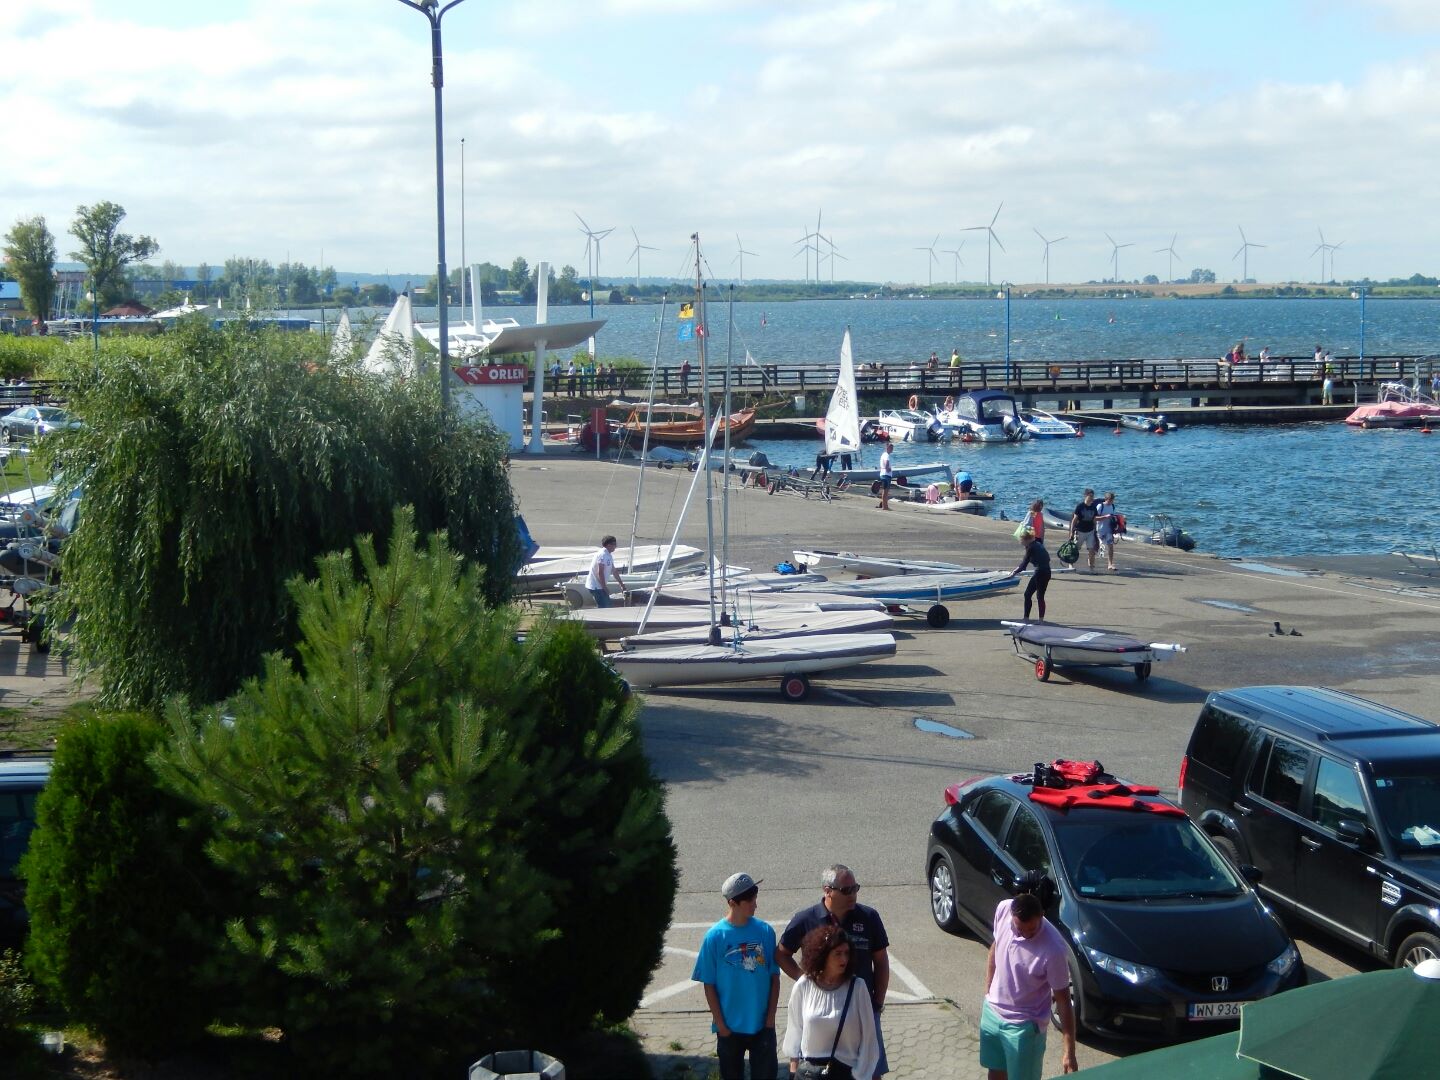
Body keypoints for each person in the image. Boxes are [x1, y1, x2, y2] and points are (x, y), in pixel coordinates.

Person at [778, 865, 891, 1077]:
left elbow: (882, 962)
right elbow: (781, 954)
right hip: (821, 1012)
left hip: (860, 1007)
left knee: (871, 1068)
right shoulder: (806, 919)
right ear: (828, 890)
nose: (853, 894)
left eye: (855, 888)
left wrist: (877, 1004)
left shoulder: (869, 917)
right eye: (847, 890)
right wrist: (807, 981)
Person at [693, 873, 780, 1080]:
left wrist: (770, 1020)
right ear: (732, 902)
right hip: (729, 1029)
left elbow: (774, 978)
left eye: (755, 898)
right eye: (749, 900)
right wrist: (721, 1026)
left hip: (762, 1026)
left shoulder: (765, 931)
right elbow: (709, 984)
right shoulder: (715, 937)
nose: (755, 905)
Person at [980, 892, 1077, 1079]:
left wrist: (1069, 1052)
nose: (1025, 935)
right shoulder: (1003, 909)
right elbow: (995, 947)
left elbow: (1064, 1002)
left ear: (1041, 915)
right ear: (1012, 916)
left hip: (1024, 1027)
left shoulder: (1054, 949)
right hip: (992, 1014)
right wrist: (989, 994)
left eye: (1031, 931)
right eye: (1019, 929)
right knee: (995, 1072)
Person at [783, 925, 880, 1080]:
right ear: (823, 956)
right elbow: (794, 1031)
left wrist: (859, 1075)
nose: (844, 959)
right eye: (838, 954)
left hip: (846, 1072)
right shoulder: (804, 985)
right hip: (810, 1073)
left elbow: (869, 1039)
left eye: (847, 953)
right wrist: (794, 1071)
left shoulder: (858, 987)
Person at [1013, 528, 1051, 622]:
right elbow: (1047, 558)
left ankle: (1035, 620)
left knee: (1035, 595)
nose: (1020, 542)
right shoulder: (1038, 544)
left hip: (1040, 572)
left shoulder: (1031, 547)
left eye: (1021, 540)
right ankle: (1031, 619)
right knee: (1032, 595)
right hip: (1046, 571)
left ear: (1026, 539)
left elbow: (1024, 564)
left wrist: (1013, 573)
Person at [584, 535, 626, 608]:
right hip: (596, 586)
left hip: (600, 586)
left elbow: (614, 571)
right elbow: (600, 572)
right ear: (609, 545)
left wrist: (621, 584)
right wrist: (604, 588)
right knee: (605, 606)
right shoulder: (602, 555)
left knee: (607, 604)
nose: (616, 546)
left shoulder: (608, 555)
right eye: (614, 544)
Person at [1069, 489, 1099, 573]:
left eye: (1093, 496)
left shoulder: (1093, 507)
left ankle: (1091, 567)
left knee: (1091, 549)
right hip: (1080, 531)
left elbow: (1094, 520)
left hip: (1090, 531)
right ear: (1086, 496)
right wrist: (1071, 532)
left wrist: (1095, 531)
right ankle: (1071, 564)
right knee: (1076, 549)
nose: (1092, 498)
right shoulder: (1080, 506)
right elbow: (1074, 520)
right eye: (1090, 496)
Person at [1095, 492, 1118, 572]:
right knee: (1100, 546)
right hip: (1100, 529)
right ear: (1107, 499)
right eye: (1111, 500)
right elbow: (1094, 518)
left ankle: (1110, 564)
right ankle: (1091, 560)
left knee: (1110, 546)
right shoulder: (1100, 506)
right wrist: (1104, 517)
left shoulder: (1112, 506)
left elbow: (1113, 517)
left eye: (1113, 500)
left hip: (1109, 530)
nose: (1112, 501)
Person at [877, 445, 893, 511]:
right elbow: (886, 464)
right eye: (891, 448)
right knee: (886, 491)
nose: (892, 450)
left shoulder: (883, 454)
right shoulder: (887, 455)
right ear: (888, 448)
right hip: (886, 475)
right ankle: (885, 506)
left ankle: (884, 505)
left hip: (883, 474)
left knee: (885, 490)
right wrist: (888, 469)